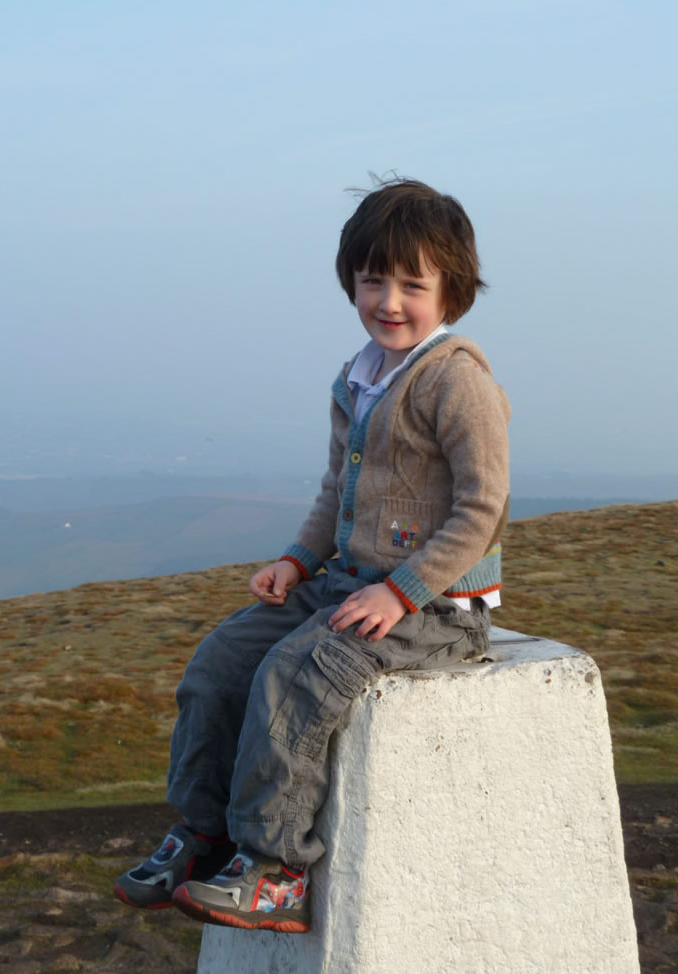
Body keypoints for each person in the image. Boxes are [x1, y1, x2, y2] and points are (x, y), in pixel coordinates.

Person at [114, 178, 510, 933]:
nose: (388, 301)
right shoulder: (358, 377)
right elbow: (338, 491)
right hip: (347, 583)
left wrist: (401, 591)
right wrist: (298, 560)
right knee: (221, 662)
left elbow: (480, 509)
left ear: (451, 292)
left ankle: (275, 870)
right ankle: (204, 837)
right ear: (351, 281)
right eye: (373, 280)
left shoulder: (458, 382)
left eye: (412, 284)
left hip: (435, 607)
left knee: (294, 675)